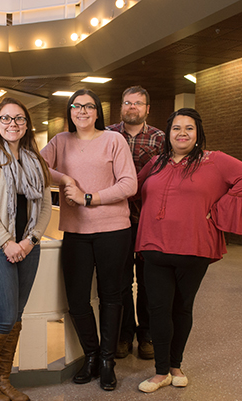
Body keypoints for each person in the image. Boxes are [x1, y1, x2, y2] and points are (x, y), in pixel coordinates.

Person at [135, 108, 242, 393]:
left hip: (194, 247)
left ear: (198, 133)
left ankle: (175, 365)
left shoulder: (213, 161)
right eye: (176, 128)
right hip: (154, 246)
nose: (182, 133)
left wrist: (218, 210)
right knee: (157, 309)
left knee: (182, 307)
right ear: (168, 134)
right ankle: (159, 372)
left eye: (188, 128)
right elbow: (134, 188)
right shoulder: (155, 163)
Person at [41, 89, 137, 391]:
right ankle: (92, 355)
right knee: (78, 299)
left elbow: (129, 184)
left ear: (98, 112)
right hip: (76, 233)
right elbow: (36, 167)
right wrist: (65, 180)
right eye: (76, 106)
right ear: (70, 111)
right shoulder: (59, 142)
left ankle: (108, 361)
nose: (82, 111)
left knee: (111, 296)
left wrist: (91, 198)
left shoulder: (114, 140)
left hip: (113, 230)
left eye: (89, 106)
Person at [0, 98, 51, 401]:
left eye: (18, 119)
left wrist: (30, 240)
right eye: (6, 119)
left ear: (26, 124)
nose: (12, 124)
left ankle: (2, 379)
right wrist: (7, 242)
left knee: (15, 317)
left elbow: (44, 208)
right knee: (2, 317)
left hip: (28, 247)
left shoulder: (35, 160)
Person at [107, 86, 165, 360]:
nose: (133, 107)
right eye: (128, 102)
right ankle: (123, 333)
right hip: (114, 219)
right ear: (121, 106)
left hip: (148, 221)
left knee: (148, 281)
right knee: (119, 281)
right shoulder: (105, 135)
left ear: (147, 109)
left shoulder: (160, 139)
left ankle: (147, 335)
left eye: (139, 103)